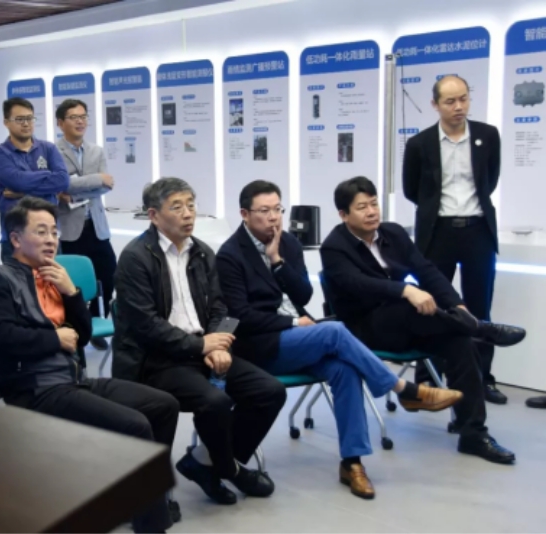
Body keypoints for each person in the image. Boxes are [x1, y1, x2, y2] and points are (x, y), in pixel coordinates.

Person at [216, 180, 462, 499]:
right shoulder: (230, 255)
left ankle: (352, 462)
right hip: (261, 345)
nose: (274, 217)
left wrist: (277, 261)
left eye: (278, 209)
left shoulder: (287, 243)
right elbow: (240, 316)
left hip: (298, 337)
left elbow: (303, 294)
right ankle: (404, 389)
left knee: (344, 370)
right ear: (244, 214)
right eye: (264, 211)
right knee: (334, 330)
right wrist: (292, 322)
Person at [0, 197, 179, 533]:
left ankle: (141, 500)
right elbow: (0, 338)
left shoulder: (54, 276)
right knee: (135, 425)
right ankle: (151, 524)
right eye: (41, 231)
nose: (51, 239)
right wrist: (54, 339)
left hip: (73, 380)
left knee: (163, 405)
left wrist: (71, 292)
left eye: (54, 231)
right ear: (16, 239)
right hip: (35, 389)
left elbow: (82, 336)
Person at [320, 176, 525, 465]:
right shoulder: (334, 247)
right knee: (410, 305)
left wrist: (458, 305)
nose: (372, 212)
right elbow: (358, 284)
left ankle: (473, 434)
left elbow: (426, 270)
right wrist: (405, 290)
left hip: (409, 324)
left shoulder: (393, 233)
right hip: (366, 327)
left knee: (460, 342)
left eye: (374, 204)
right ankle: (481, 329)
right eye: (362, 207)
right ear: (344, 214)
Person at [113, 177, 286, 505]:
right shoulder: (135, 257)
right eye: (177, 207)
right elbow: (145, 325)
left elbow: (222, 309)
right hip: (156, 359)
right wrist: (201, 346)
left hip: (202, 350)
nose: (188, 213)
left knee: (270, 391)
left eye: (191, 205)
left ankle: (204, 463)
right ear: (154, 215)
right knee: (215, 402)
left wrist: (219, 344)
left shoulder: (203, 253)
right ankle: (229, 469)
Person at [402, 75, 504, 404]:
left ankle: (482, 379)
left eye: (463, 98)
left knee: (479, 309)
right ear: (435, 105)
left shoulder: (488, 136)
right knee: (431, 306)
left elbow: (489, 181)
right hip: (438, 232)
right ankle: (427, 378)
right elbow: (412, 190)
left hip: (477, 230)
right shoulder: (419, 144)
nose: (459, 106)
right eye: (450, 101)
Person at [54, 98, 116, 351]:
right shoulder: (53, 151)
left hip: (97, 226)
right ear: (61, 123)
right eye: (74, 117)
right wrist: (96, 179)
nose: (80, 121)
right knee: (73, 282)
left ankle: (92, 322)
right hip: (70, 229)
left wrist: (77, 189)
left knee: (109, 276)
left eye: (83, 116)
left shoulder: (96, 151)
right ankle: (74, 327)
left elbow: (106, 185)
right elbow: (61, 183)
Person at [0, 97, 69, 261]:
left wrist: (22, 192)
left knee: (51, 277)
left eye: (29, 118)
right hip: (15, 240)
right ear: (6, 122)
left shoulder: (48, 148)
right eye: (19, 119)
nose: (26, 124)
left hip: (49, 237)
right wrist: (47, 176)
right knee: (17, 279)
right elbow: (17, 181)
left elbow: (62, 180)